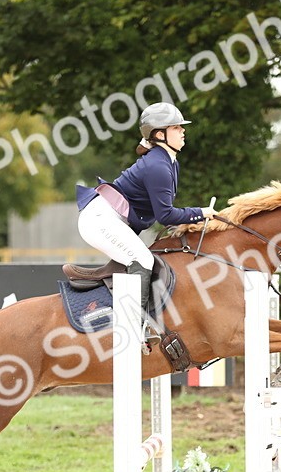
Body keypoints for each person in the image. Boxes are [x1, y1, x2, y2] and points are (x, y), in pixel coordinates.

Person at [75, 102, 220, 341]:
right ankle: (133, 328)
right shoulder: (157, 166)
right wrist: (200, 213)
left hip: (111, 219)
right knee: (142, 259)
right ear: (159, 134)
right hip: (99, 220)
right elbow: (165, 215)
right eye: (176, 127)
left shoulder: (169, 161)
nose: (183, 131)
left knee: (146, 257)